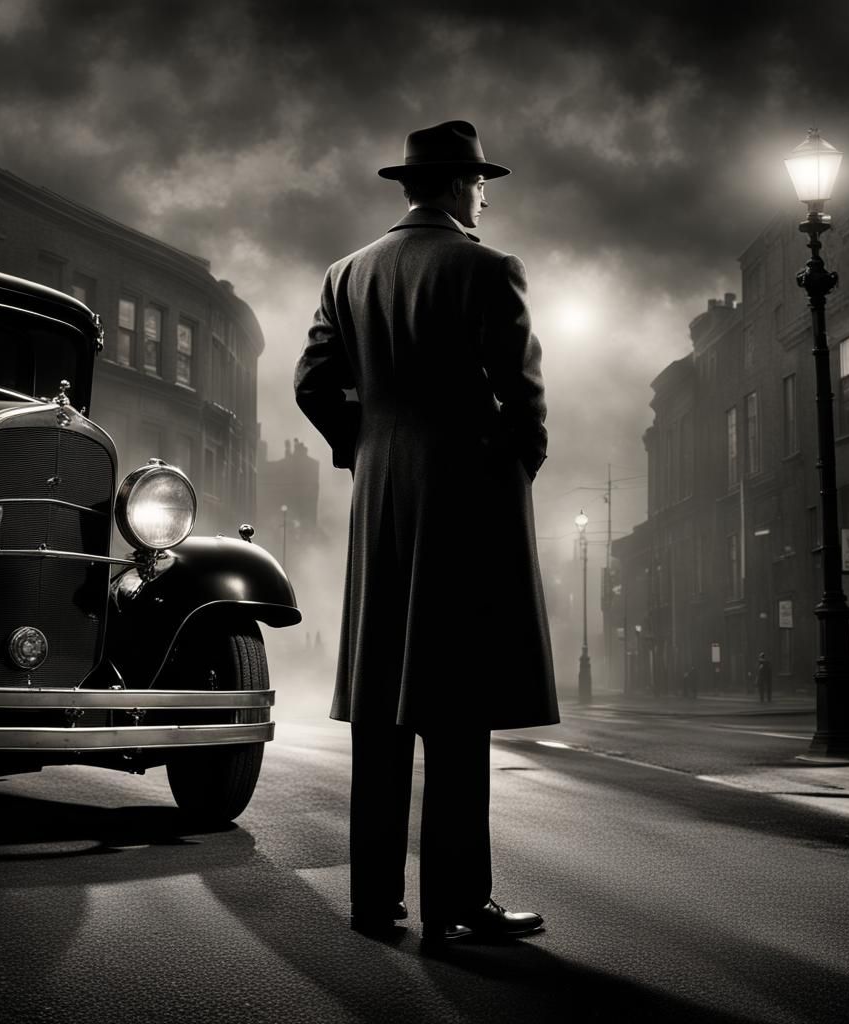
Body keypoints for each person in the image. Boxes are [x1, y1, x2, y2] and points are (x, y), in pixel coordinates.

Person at [295, 120, 558, 945]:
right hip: (464, 505)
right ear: (454, 186)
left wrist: (364, 447)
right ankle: (456, 901)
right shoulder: (487, 267)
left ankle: (373, 902)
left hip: (382, 501)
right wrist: (510, 471)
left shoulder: (346, 274)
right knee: (457, 710)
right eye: (480, 181)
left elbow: (312, 384)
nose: (484, 195)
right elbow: (522, 400)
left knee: (382, 707)